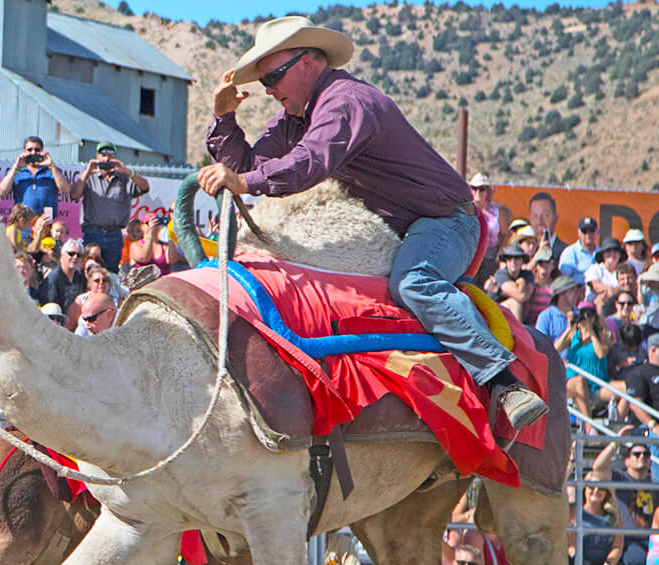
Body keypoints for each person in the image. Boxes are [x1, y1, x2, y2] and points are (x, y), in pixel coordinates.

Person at [200, 16, 545, 432]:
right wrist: (223, 120)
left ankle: (504, 382)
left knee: (413, 282)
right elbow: (249, 169)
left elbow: (307, 164)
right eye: (264, 80)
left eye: (273, 76)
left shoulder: (346, 103)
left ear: (309, 63)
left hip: (443, 222)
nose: (269, 89)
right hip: (394, 228)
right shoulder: (298, 113)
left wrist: (245, 179)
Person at [70, 141, 150, 272]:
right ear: (97, 156)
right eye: (103, 155)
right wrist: (87, 172)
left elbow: (145, 187)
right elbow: (74, 195)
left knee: (112, 273)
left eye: (110, 155)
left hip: (114, 234)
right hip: (93, 233)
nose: (106, 158)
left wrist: (128, 172)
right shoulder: (89, 177)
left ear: (116, 157)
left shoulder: (124, 178)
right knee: (90, 271)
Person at [592, 429, 656, 565]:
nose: (642, 457)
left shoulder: (654, 484)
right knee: (638, 560)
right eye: (637, 454)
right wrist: (616, 443)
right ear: (627, 460)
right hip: (628, 540)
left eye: (646, 455)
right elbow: (598, 468)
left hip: (651, 539)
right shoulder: (619, 478)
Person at [555, 301, 612, 433]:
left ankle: (618, 426)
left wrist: (591, 332)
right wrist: (570, 327)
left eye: (589, 314)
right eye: (583, 314)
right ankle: (589, 426)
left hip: (597, 384)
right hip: (573, 382)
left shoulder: (602, 335)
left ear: (594, 317)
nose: (586, 317)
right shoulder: (573, 335)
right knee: (580, 381)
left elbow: (601, 353)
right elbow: (555, 349)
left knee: (628, 389)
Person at [0, 136, 70, 217]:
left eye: (37, 150)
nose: (33, 153)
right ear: (24, 151)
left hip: (46, 224)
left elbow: (66, 189)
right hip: (23, 224)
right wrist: (16, 167)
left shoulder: (52, 171)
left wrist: (51, 166)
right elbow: (2, 192)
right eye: (29, 150)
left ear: (42, 151)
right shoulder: (17, 172)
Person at [468, 172, 510, 287]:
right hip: (470, 259)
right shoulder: (466, 210)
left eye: (482, 189)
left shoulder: (498, 212)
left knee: (487, 291)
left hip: (490, 260)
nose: (478, 192)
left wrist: (501, 252)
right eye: (474, 188)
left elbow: (505, 234)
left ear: (487, 191)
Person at [534, 274, 586, 350]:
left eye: (576, 290)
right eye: (572, 290)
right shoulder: (546, 317)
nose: (576, 293)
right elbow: (542, 350)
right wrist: (569, 329)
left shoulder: (581, 314)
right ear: (561, 294)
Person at [68, 266, 119, 335]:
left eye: (104, 281)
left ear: (109, 284)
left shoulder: (117, 302)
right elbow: (68, 327)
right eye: (97, 280)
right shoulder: (80, 301)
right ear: (90, 284)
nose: (101, 283)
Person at [129, 212, 182, 277]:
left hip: (161, 283)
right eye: (149, 222)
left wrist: (169, 235)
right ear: (142, 227)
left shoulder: (163, 245)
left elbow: (172, 260)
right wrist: (150, 234)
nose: (155, 224)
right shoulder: (135, 245)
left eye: (156, 221)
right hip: (144, 284)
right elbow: (144, 258)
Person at [559, 216, 599, 286]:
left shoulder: (602, 253)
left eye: (591, 230)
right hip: (577, 293)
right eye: (584, 231)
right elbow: (564, 281)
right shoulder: (570, 252)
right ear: (579, 232)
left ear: (597, 232)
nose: (588, 234)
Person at [48, 238, 86, 312]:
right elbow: (51, 306)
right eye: (71, 254)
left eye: (79, 255)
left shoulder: (80, 277)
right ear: (62, 255)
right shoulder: (54, 278)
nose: (75, 257)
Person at [586, 237, 624, 310]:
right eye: (608, 250)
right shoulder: (595, 268)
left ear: (620, 255)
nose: (612, 253)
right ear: (603, 254)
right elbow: (594, 285)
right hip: (594, 308)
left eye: (615, 250)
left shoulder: (624, 269)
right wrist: (613, 291)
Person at [528, 191, 568, 258]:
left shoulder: (565, 251)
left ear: (555, 217)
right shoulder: (526, 252)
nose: (540, 221)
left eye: (545, 215)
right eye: (535, 216)